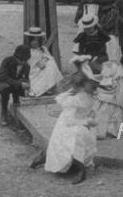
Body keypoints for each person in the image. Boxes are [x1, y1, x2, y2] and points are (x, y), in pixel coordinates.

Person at [39, 56, 100, 184]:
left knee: (83, 135)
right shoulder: (75, 99)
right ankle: (80, 170)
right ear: (81, 86)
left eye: (94, 86)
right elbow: (69, 121)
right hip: (69, 125)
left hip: (82, 123)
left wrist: (91, 119)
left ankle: (45, 157)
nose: (94, 89)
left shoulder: (88, 96)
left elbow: (92, 110)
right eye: (90, 85)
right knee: (74, 138)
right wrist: (86, 121)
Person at [0, 44, 31, 126]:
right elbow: (4, 77)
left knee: (23, 93)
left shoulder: (26, 66)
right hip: (2, 83)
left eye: (25, 60)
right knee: (5, 88)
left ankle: (16, 106)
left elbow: (25, 78)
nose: (22, 62)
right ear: (15, 57)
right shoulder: (7, 61)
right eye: (20, 60)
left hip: (15, 85)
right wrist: (19, 83)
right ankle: (4, 113)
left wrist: (26, 85)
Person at [25, 27, 63, 97]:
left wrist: (44, 60)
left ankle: (49, 88)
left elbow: (49, 58)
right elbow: (28, 63)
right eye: (33, 40)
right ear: (30, 40)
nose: (35, 42)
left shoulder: (42, 48)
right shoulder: (27, 50)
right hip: (32, 71)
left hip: (41, 69)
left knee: (51, 64)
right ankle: (38, 88)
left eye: (37, 40)